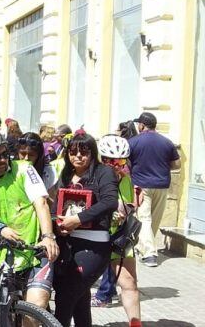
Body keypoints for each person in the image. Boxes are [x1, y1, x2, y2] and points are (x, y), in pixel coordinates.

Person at [0, 133, 59, 311]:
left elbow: (41, 203)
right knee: (2, 313)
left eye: (4, 154)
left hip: (35, 251)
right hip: (2, 257)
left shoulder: (24, 169)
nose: (2, 160)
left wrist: (48, 237)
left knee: (36, 306)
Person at [52, 132, 118, 327]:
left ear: (92, 152)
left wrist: (78, 219)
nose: (78, 156)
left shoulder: (103, 171)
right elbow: (58, 205)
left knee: (65, 298)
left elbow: (110, 202)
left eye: (84, 151)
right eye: (73, 152)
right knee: (79, 300)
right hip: (68, 243)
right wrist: (59, 226)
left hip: (94, 244)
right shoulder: (65, 173)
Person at [91, 135, 141, 327]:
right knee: (79, 285)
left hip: (118, 236)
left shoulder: (125, 180)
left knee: (129, 283)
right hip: (93, 235)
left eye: (121, 161)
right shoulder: (91, 178)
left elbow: (128, 204)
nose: (116, 166)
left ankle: (135, 324)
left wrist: (126, 210)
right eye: (110, 161)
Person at [128, 112, 180, 267]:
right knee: (153, 219)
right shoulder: (167, 142)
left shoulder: (133, 142)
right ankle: (143, 246)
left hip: (141, 186)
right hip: (162, 185)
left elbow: (126, 164)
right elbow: (177, 165)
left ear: (142, 125)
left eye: (139, 124)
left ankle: (149, 253)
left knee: (144, 218)